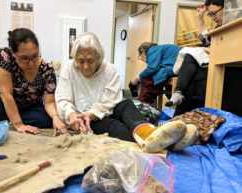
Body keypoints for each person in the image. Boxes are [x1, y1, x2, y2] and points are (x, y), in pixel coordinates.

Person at [55, 32, 196, 153]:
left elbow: (110, 100)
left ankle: (151, 133)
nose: (85, 66)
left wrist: (92, 114)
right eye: (80, 61)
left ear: (98, 56)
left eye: (90, 61)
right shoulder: (69, 68)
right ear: (74, 58)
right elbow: (62, 99)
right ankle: (168, 143)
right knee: (113, 125)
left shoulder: (109, 69)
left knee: (126, 104)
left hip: (102, 111)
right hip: (83, 119)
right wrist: (71, 114)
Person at [165, 0, 225, 116]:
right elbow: (205, 39)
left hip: (221, 68)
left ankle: (177, 113)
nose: (212, 17)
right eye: (210, 14)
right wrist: (200, 17)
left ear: (226, 7)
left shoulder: (232, 26)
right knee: (189, 78)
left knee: (190, 55)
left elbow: (227, 52)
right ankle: (178, 115)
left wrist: (205, 50)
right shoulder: (218, 26)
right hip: (210, 65)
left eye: (214, 13)